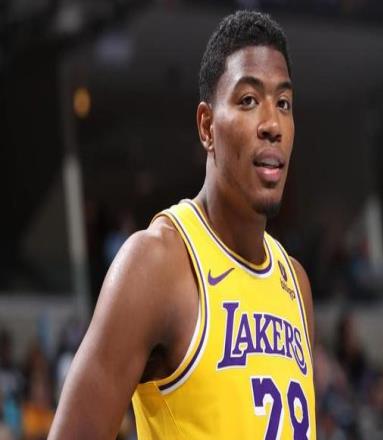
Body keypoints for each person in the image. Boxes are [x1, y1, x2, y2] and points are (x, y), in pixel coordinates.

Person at [49, 10, 316, 439]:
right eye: (249, 100)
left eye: (283, 103)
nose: (272, 125)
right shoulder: (155, 265)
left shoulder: (295, 284)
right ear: (207, 126)